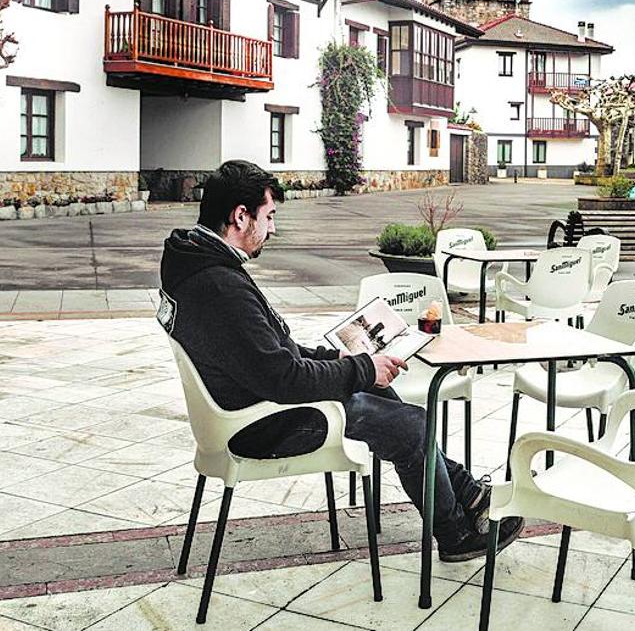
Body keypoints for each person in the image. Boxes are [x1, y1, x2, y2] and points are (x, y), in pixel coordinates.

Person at [158, 160, 523, 561]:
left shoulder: (197, 262)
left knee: (378, 390)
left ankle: (466, 494)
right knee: (412, 425)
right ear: (240, 216)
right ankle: (455, 534)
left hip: (251, 401)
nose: (273, 229)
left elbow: (270, 354)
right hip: (261, 422)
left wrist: (342, 359)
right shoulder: (220, 285)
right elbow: (284, 377)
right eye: (269, 216)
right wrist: (363, 366)